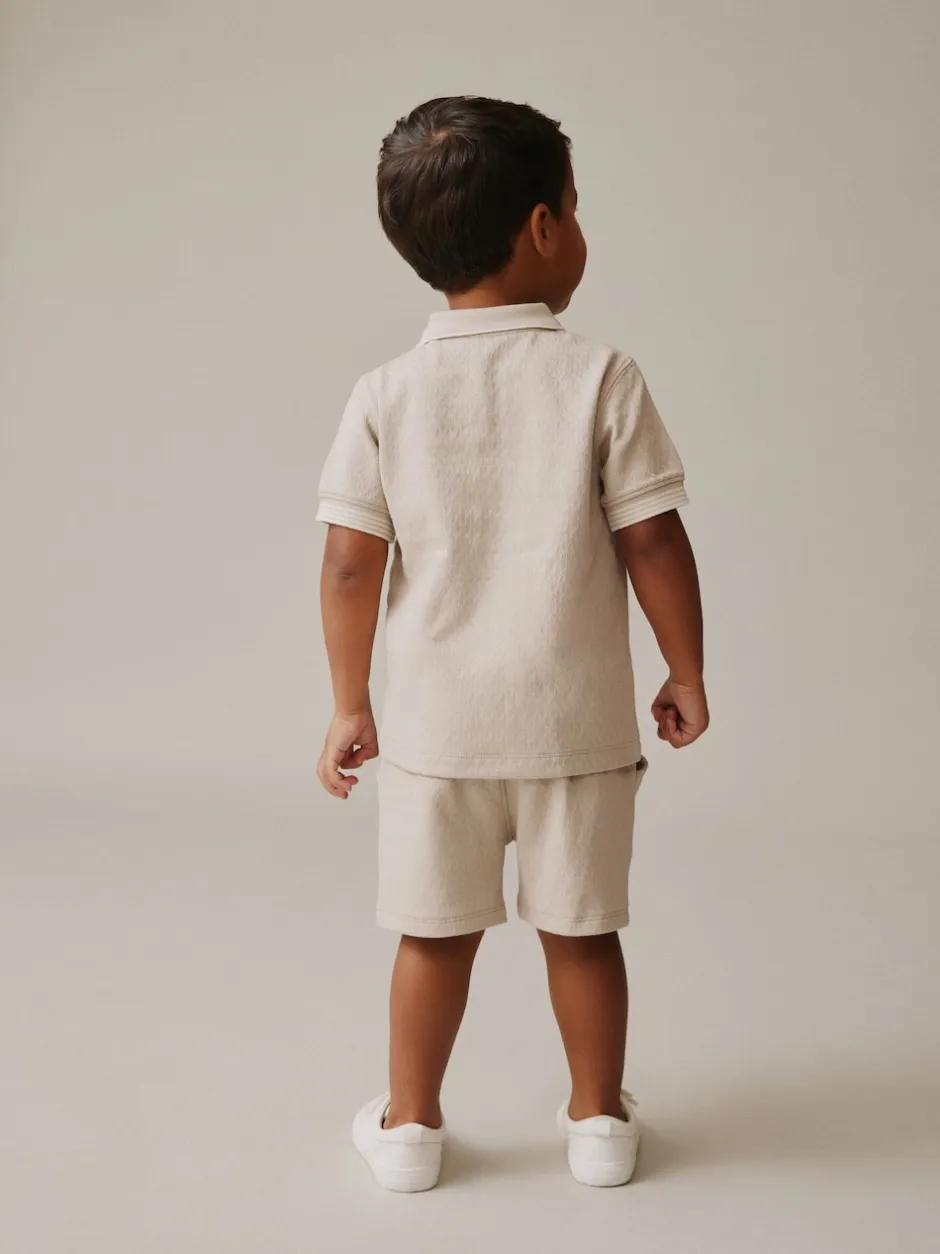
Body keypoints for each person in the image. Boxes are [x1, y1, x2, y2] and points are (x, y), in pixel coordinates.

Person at [315, 95, 709, 1192]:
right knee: (582, 933)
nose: (578, 230)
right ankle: (598, 1124)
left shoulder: (386, 394)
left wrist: (350, 702)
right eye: (575, 209)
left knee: (432, 936)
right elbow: (653, 539)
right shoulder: (601, 376)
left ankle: (409, 1130)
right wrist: (684, 669)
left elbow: (349, 565)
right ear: (543, 227)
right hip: (574, 726)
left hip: (437, 734)